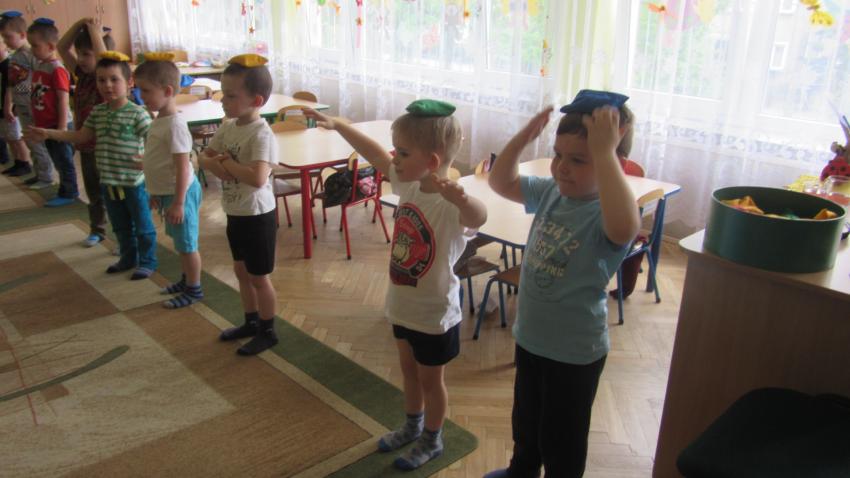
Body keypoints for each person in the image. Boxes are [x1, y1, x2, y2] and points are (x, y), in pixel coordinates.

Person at [304, 99, 487, 470]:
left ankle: (432, 439)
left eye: (402, 152)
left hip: (434, 315)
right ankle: (412, 425)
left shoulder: (452, 204)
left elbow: (478, 217)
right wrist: (340, 124)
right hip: (402, 305)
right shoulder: (411, 185)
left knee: (431, 381)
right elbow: (374, 154)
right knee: (409, 371)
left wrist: (464, 199)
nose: (394, 158)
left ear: (431, 160)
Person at [484, 90, 641, 478]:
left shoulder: (607, 212)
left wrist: (605, 153)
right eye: (558, 155)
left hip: (574, 354)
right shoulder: (552, 192)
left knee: (562, 442)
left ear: (614, 163)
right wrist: (524, 137)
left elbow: (626, 227)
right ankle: (521, 471)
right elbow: (501, 181)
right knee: (526, 424)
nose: (562, 168)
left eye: (579, 160)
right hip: (531, 338)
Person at [26, 51, 156, 280]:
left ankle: (147, 261)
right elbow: (80, 136)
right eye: (101, 80)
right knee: (120, 225)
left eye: (114, 79)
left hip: (134, 184)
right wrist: (48, 133)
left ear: (129, 83)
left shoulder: (138, 114)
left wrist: (150, 163)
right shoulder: (98, 112)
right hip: (108, 182)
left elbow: (155, 144)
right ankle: (128, 258)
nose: (107, 85)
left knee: (142, 226)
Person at [198, 53, 279, 356]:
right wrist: (222, 166)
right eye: (223, 93)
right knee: (241, 271)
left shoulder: (262, 135)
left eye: (231, 96)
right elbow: (204, 157)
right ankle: (250, 321)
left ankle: (268, 331)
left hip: (257, 215)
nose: (223, 100)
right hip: (235, 211)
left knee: (259, 277)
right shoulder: (229, 126)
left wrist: (226, 165)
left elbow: (257, 178)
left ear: (256, 100)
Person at [134, 52, 203, 309]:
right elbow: (160, 160)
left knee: (187, 245)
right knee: (180, 243)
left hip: (180, 195)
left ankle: (194, 289)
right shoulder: (159, 120)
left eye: (145, 90)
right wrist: (155, 192)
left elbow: (183, 167)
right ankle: (186, 281)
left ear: (168, 91)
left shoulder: (175, 125)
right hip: (168, 194)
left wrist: (178, 202)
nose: (140, 96)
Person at [57, 17, 113, 245]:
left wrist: (95, 33)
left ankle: (123, 238)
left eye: (86, 54)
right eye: (79, 54)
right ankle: (97, 230)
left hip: (108, 149)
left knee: (114, 195)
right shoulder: (81, 76)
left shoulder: (105, 81)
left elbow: (104, 60)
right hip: (87, 147)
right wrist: (79, 24)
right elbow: (62, 47)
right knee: (94, 193)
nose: (80, 59)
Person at [26, 17, 77, 207]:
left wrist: (62, 128)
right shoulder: (41, 65)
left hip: (58, 125)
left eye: (35, 46)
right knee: (57, 159)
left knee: (64, 161)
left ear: (50, 46)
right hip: (47, 125)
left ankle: (69, 192)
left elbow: (63, 98)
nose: (32, 50)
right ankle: (64, 188)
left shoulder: (57, 69)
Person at [0, 10, 35, 178]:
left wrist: (11, 103)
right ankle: (21, 163)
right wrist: (10, 102)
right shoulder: (16, 57)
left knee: (25, 139)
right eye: (4, 38)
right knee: (19, 137)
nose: (6, 42)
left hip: (29, 103)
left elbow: (32, 81)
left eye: (8, 37)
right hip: (19, 103)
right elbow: (11, 84)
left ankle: (29, 166)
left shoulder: (30, 55)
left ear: (22, 35)